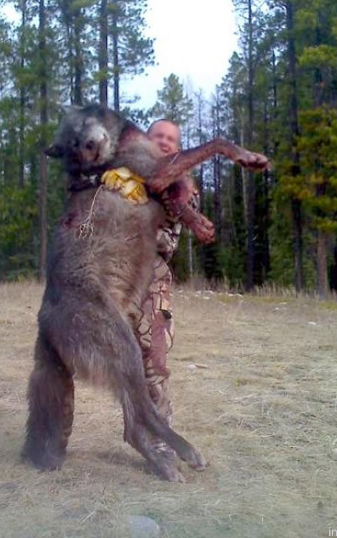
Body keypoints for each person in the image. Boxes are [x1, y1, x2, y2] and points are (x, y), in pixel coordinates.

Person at [134, 119, 200, 459]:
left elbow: (166, 243)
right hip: (109, 282)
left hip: (150, 283)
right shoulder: (120, 174)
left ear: (178, 148)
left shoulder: (182, 189)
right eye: (157, 135)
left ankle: (160, 441)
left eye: (170, 139)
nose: (163, 141)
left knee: (154, 362)